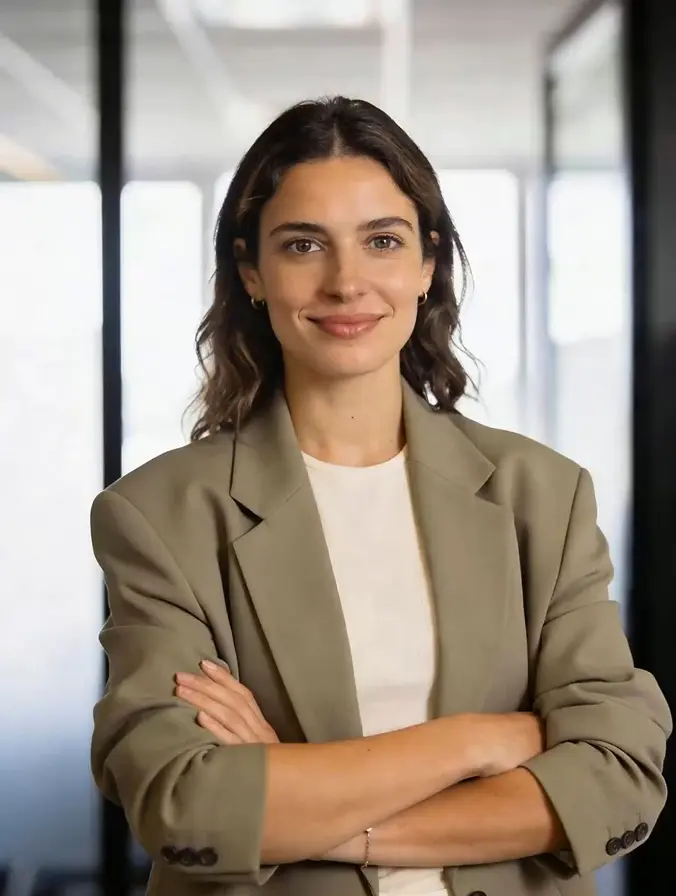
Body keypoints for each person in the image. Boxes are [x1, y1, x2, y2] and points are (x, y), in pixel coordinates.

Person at [90, 96, 671, 896]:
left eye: (382, 241)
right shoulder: (161, 516)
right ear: (251, 271)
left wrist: (299, 796)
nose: (346, 282)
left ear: (427, 266)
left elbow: (616, 777)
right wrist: (473, 743)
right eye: (303, 245)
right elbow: (186, 807)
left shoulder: (544, 494)